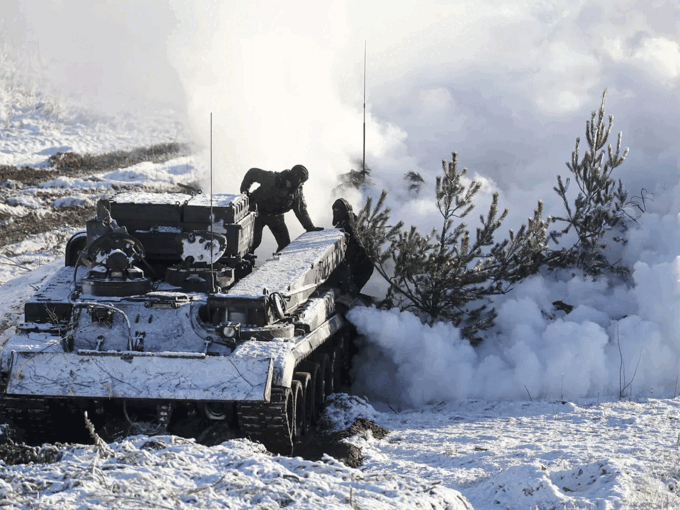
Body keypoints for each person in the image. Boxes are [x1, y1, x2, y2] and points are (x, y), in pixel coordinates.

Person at [240, 164, 323, 253]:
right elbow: (252, 173)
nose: (301, 184)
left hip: (276, 217)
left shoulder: (296, 192)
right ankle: (246, 264)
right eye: (301, 181)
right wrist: (244, 192)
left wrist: (309, 227)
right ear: (295, 179)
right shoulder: (272, 178)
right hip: (257, 214)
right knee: (253, 242)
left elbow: (301, 210)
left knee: (285, 244)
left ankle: (276, 263)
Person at [331, 198, 374, 294]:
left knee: (350, 289)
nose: (337, 212)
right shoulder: (341, 225)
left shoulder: (355, 225)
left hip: (360, 264)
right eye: (335, 210)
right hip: (349, 263)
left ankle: (350, 292)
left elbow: (354, 250)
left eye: (339, 210)